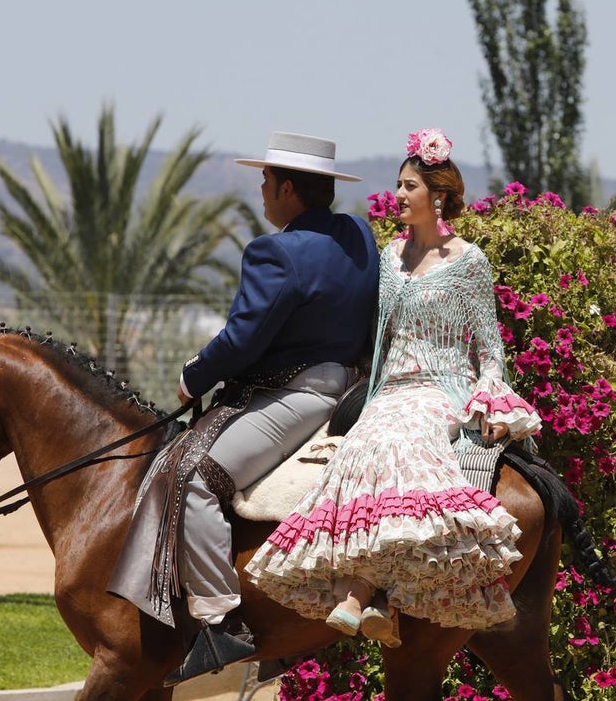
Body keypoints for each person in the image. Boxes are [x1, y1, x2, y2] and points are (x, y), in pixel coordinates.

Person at [243, 128, 542, 648]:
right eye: (399, 186)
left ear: (439, 196)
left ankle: (359, 594)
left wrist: (490, 394)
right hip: (388, 387)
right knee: (356, 445)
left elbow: (489, 346)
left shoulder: (468, 260)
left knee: (400, 443)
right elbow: (378, 334)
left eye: (410, 187)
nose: (399, 196)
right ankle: (377, 600)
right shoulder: (389, 256)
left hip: (442, 388)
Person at [107, 131, 380, 685]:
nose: (260, 191)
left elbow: (242, 340)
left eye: (264, 181)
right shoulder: (358, 234)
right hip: (350, 386)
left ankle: (221, 619)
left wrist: (192, 376)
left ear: (286, 188)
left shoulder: (275, 251)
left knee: (194, 473)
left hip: (297, 395)